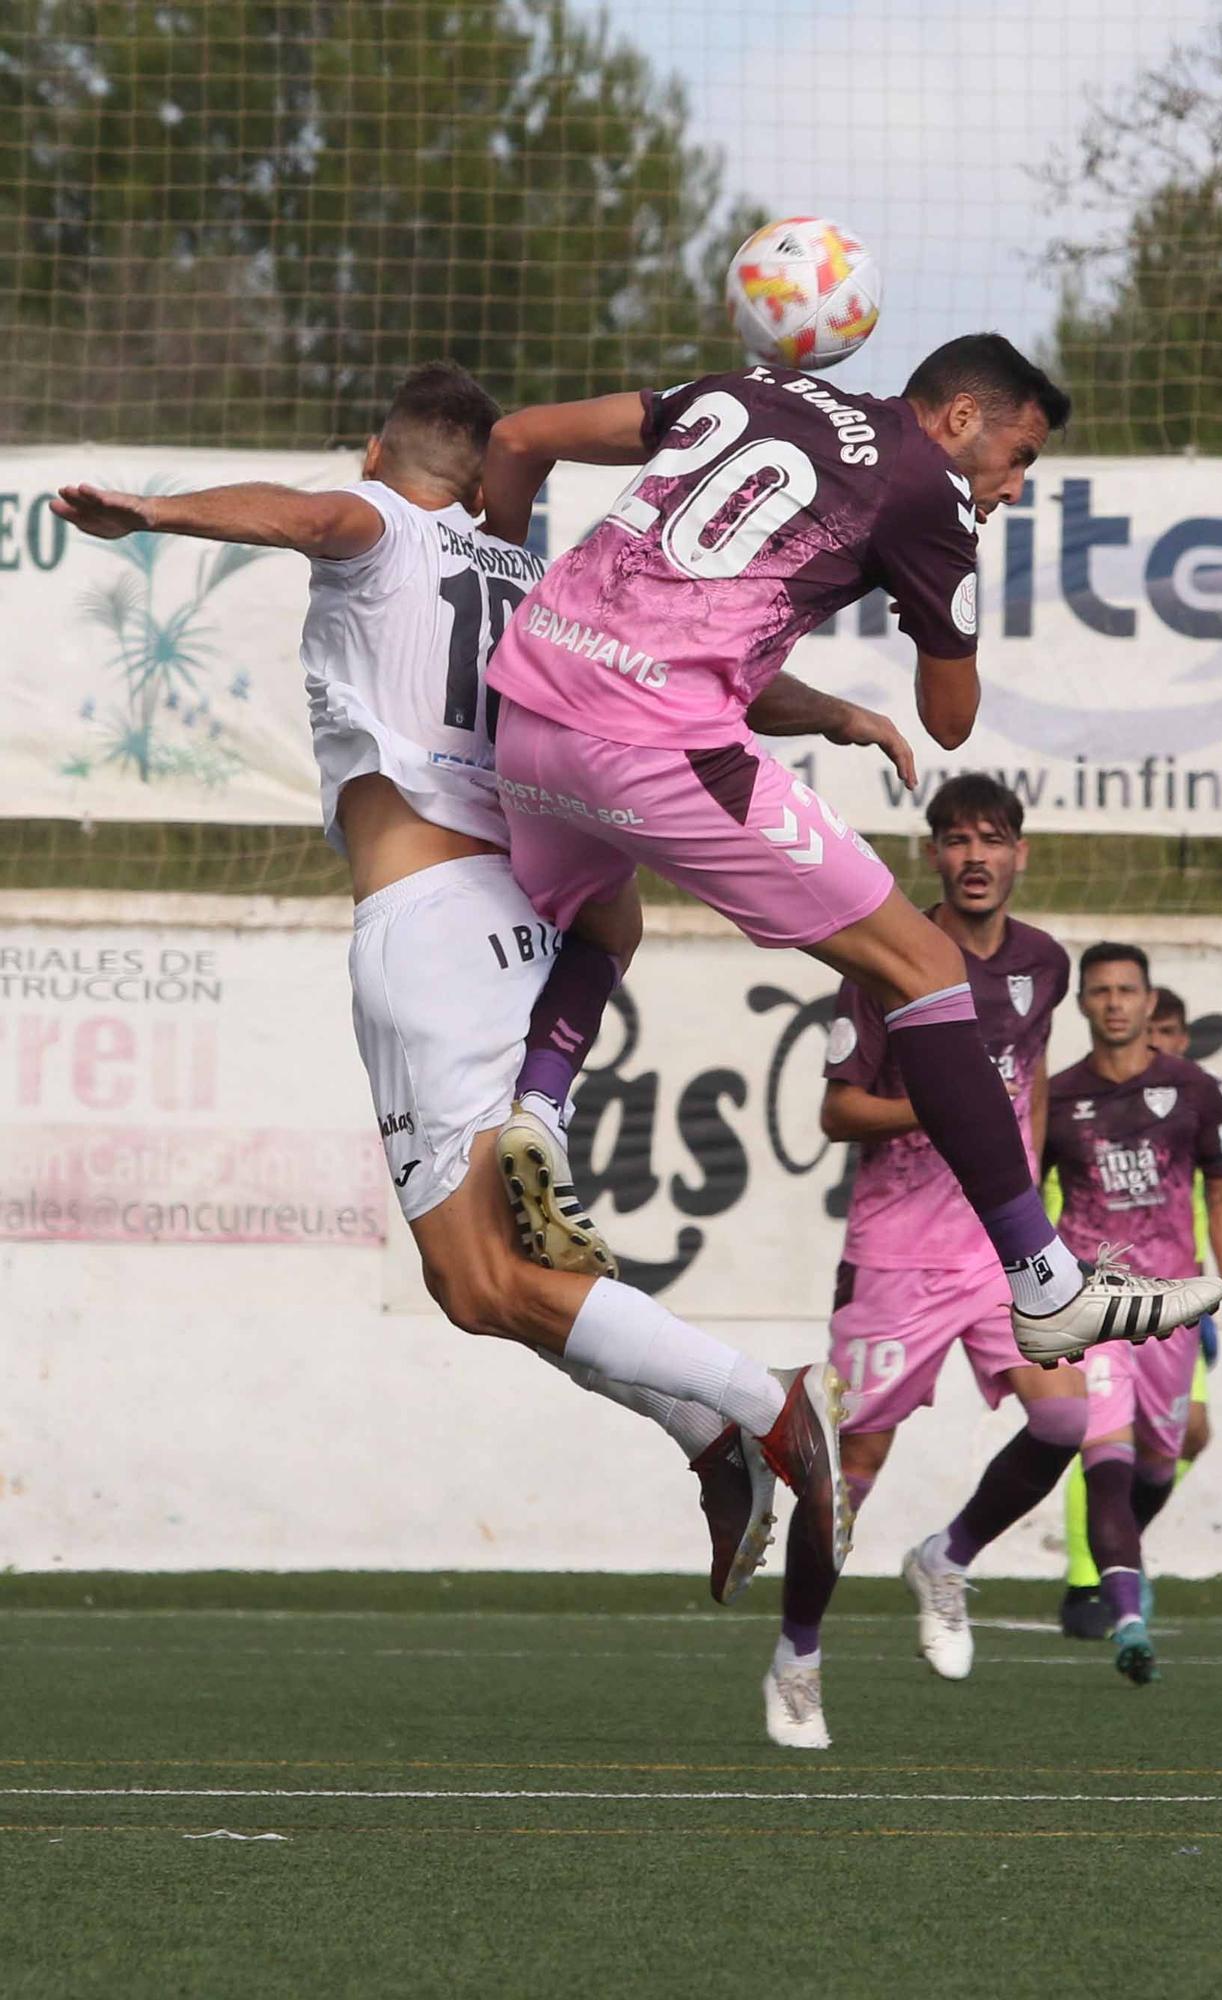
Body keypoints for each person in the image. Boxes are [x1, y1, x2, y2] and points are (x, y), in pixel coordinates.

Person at [50, 359, 919, 1597]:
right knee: (478, 1281)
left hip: (430, 929)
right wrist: (833, 711)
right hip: (530, 916)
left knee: (487, 1280)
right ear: (481, 470)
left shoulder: (376, 520)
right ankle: (707, 1428)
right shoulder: (543, 581)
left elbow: (304, 519)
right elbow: (705, 680)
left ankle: (763, 1403)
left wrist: (153, 513)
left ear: (374, 450)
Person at [480, 332, 1222, 1367]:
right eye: (1018, 457)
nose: (1012, 487)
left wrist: (830, 710)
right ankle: (1045, 1281)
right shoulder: (930, 491)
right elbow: (953, 717)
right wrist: (953, 560)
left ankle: (536, 1113)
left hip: (526, 706)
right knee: (925, 967)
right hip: (652, 745)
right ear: (962, 418)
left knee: (607, 910)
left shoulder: (747, 386)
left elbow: (515, 439)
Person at [762, 774, 1084, 1750]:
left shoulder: (1045, 962)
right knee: (851, 1466)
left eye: (993, 838)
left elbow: (1026, 1079)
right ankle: (798, 1657)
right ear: (932, 855)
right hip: (896, 1254)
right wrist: (948, 1107)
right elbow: (835, 1112)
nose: (976, 855)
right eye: (956, 839)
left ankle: (946, 1556)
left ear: (1020, 854)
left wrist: (1030, 1201)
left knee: (1067, 1413)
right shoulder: (883, 960)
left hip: (998, 1243)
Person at [1044, 944, 1222, 1684]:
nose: (1114, 1003)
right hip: (1093, 1308)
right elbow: (1019, 1199)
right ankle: (1127, 1617)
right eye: (1100, 991)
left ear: (1150, 1003)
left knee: (1160, 1461)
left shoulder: (1196, 1091)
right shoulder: (1057, 1098)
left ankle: (1116, 1567)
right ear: (1082, 1003)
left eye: (1127, 990)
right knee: (1102, 1458)